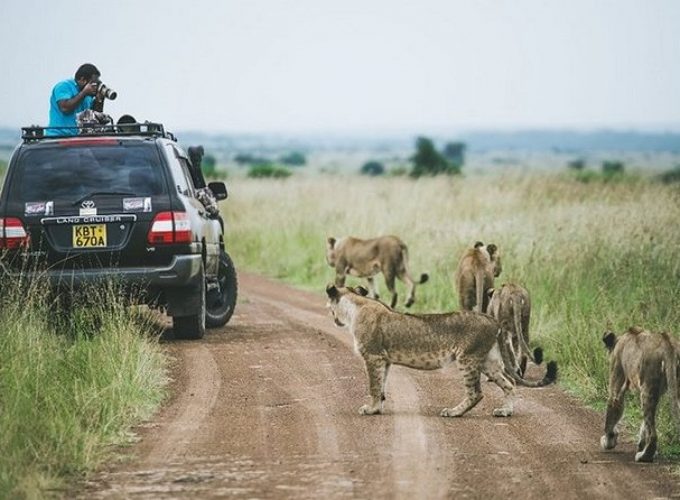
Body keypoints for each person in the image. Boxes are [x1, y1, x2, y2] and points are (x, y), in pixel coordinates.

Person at [47, 63, 102, 136]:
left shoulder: (87, 96)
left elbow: (94, 117)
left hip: (77, 138)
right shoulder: (64, 86)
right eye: (92, 83)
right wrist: (84, 93)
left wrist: (99, 99)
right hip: (58, 137)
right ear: (82, 79)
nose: (94, 87)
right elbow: (65, 108)